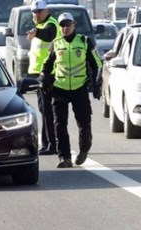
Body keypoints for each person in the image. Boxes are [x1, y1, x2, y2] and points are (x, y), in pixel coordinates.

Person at [39, 12, 102, 168]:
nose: (65, 28)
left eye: (68, 24)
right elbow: (46, 66)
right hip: (59, 88)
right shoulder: (56, 43)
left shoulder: (84, 41)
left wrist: (96, 85)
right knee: (59, 124)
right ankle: (64, 157)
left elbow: (97, 65)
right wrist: (43, 79)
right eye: (62, 25)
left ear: (74, 25)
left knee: (84, 122)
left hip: (79, 88)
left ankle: (84, 149)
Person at [26, 0, 60, 156]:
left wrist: (37, 33)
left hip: (49, 75)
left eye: (39, 12)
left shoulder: (51, 24)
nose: (36, 15)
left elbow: (48, 35)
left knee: (48, 110)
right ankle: (47, 143)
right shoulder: (39, 26)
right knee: (44, 110)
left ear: (46, 11)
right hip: (38, 75)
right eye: (34, 12)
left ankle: (52, 144)